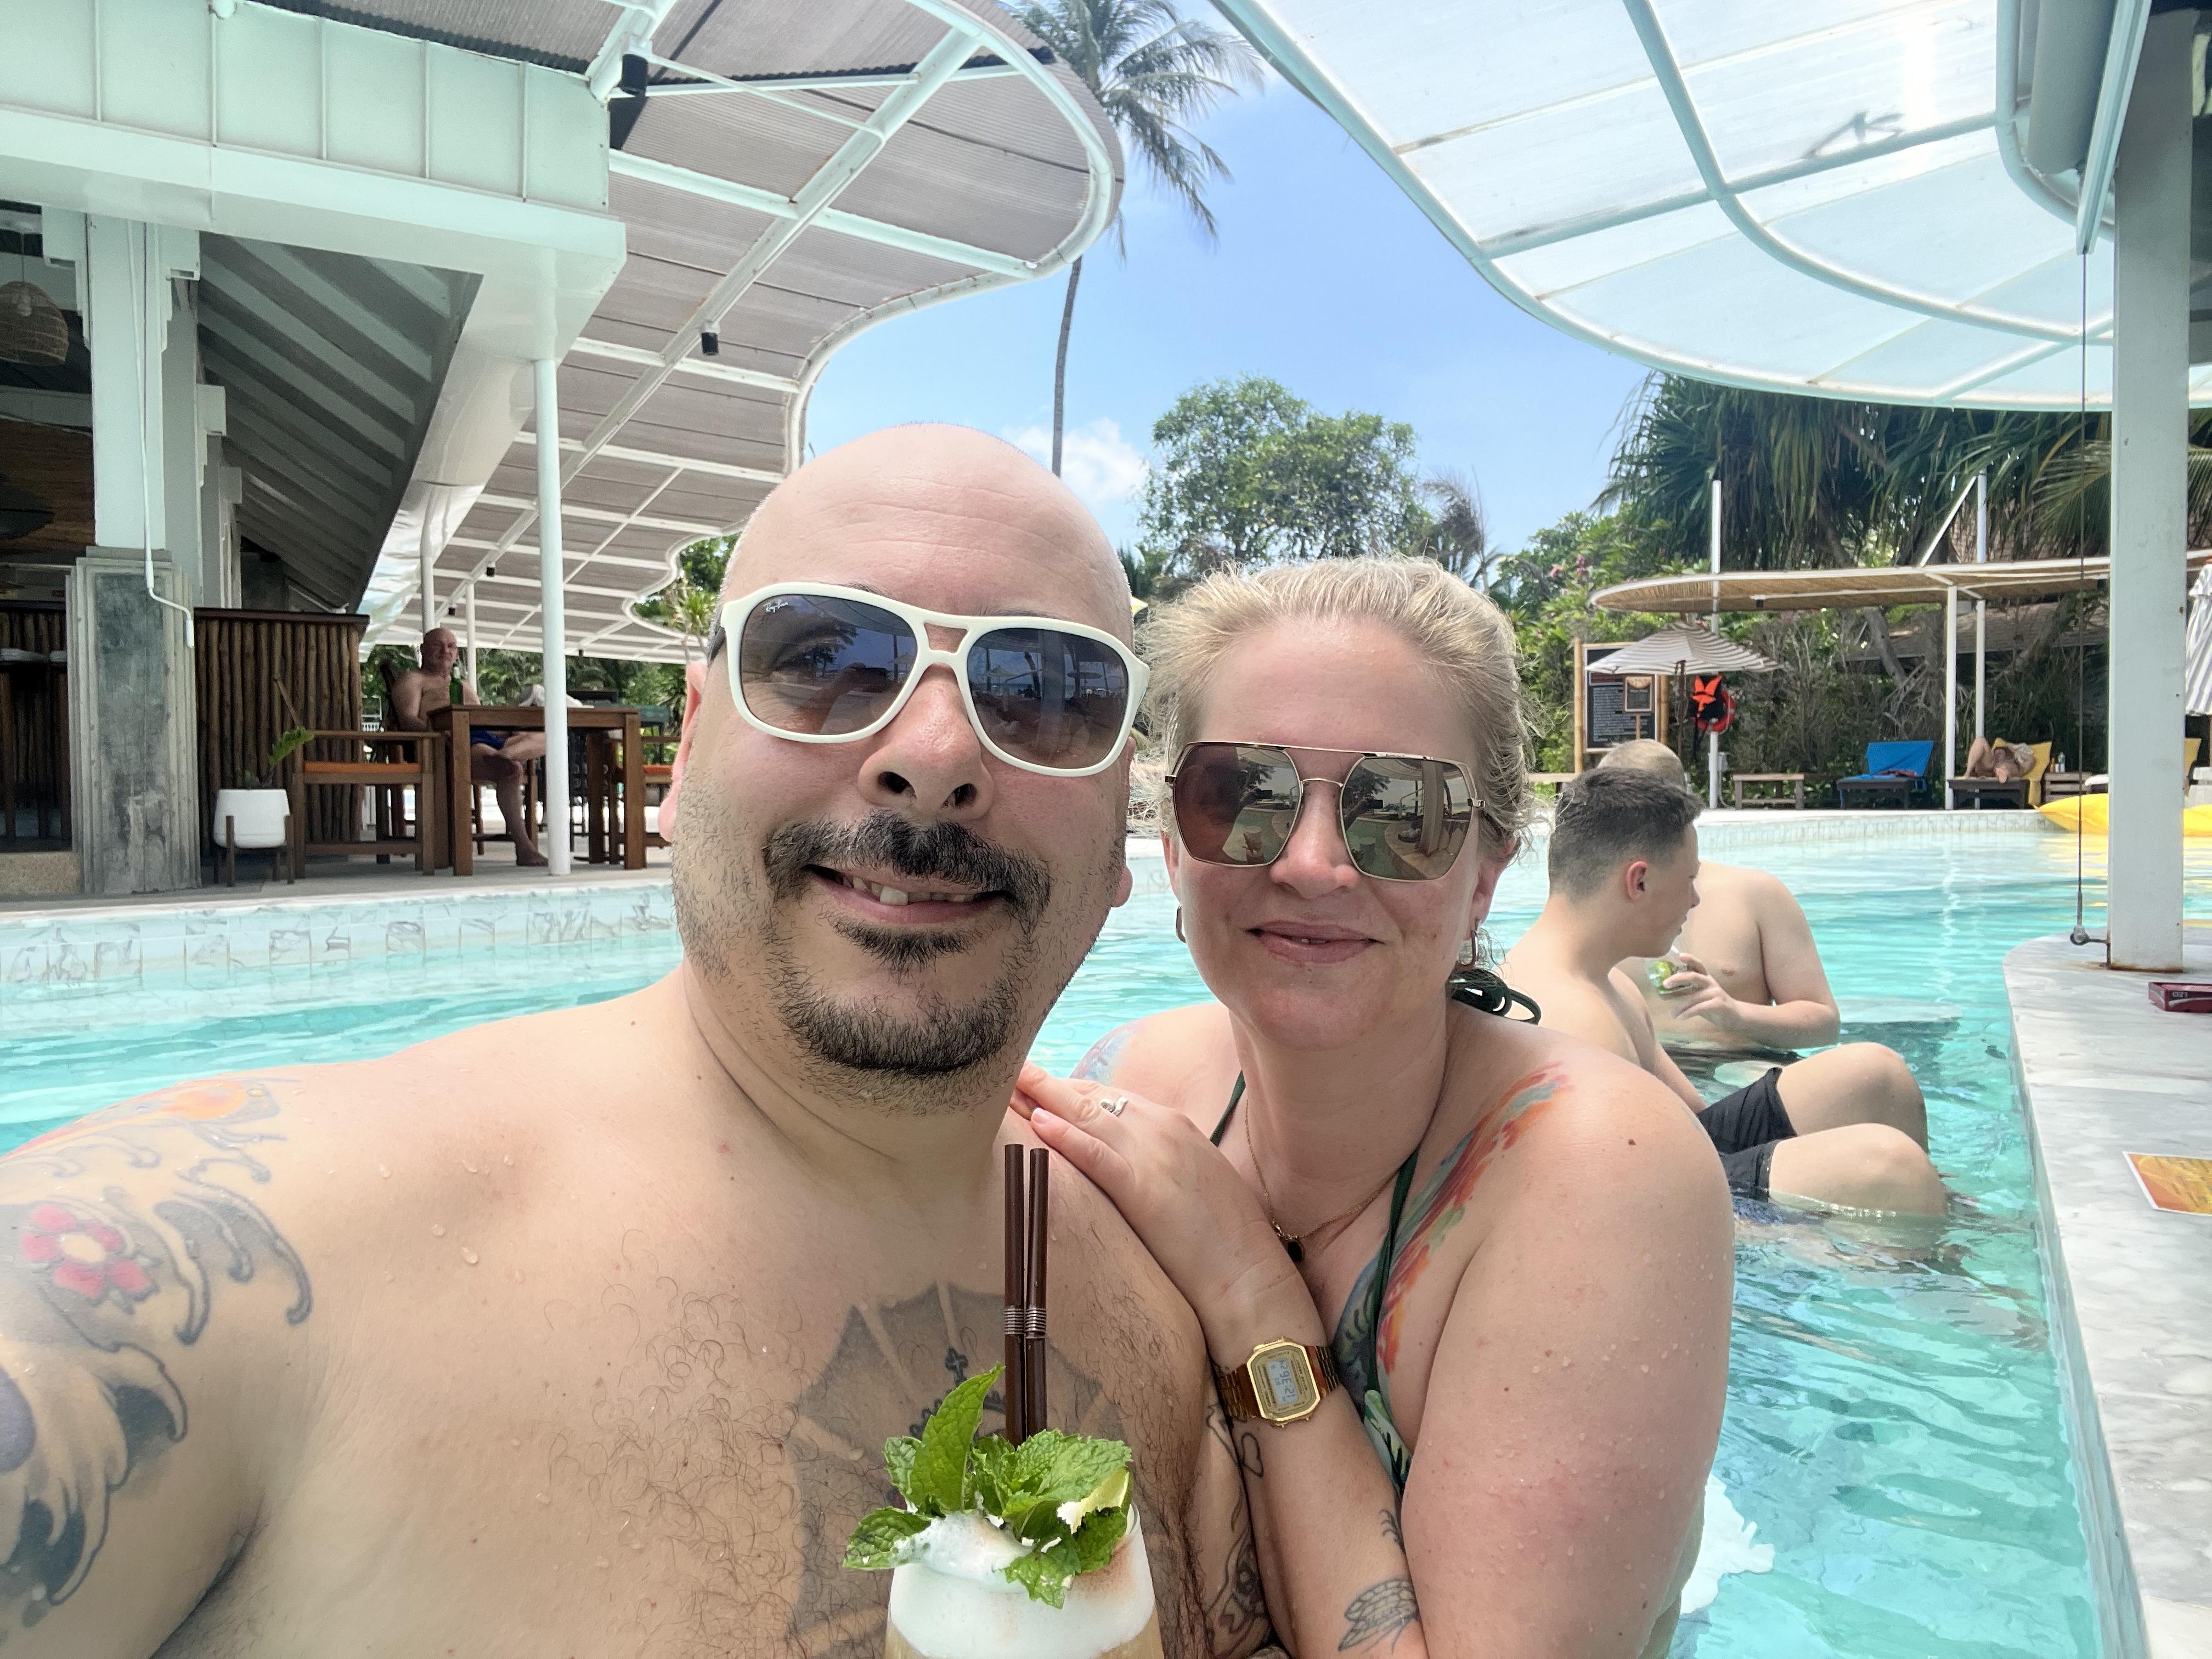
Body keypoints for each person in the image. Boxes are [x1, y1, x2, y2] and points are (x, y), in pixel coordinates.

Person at [0, 427, 1259, 1658]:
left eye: (1044, 691)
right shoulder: (238, 1276)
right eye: (825, 658)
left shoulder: (1157, 1287)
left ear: (1122, 826)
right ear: (689, 745)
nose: (932, 760)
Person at [1016, 559, 1734, 1659]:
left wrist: (1250, 1291)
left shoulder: (1603, 1171)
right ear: (1171, 843)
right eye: (1242, 795)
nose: (1311, 863)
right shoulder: (1127, 1085)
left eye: (1400, 811)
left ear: (1484, 872)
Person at [1502, 769, 1944, 1215]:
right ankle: (1936, 1245)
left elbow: (1696, 1118)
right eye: (1688, 880)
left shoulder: (1606, 979)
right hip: (1660, 1191)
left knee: (1879, 1075)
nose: (1695, 900)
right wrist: (1804, 1226)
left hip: (1679, 1149)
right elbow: (1619, 1207)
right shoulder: (1568, 1020)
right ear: (1639, 882)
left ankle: (1947, 1209)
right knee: (1893, 1169)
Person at [1597, 740, 1841, 1055]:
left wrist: (1736, 1014)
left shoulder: (1756, 894)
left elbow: (1825, 1025)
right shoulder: (1590, 902)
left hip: (1736, 1069)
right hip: (1633, 1073)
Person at [387, 625, 549, 866]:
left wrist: (511, 730)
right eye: (438, 645)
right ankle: (525, 848)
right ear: (423, 649)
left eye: (451, 646)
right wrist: (440, 735)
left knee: (551, 735)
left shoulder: (464, 685)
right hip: (452, 743)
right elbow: (408, 720)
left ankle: (506, 754)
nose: (445, 651)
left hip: (483, 737)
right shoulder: (413, 679)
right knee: (512, 770)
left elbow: (482, 721)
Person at [1962, 734, 2036, 783]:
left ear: (2008, 755)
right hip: (1990, 769)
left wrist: (2014, 751)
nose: (1996, 756)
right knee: (1980, 740)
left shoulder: (2015, 764)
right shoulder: (1993, 761)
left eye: (1999, 754)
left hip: (2007, 768)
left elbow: (2031, 760)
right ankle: (1967, 773)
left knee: (2006, 766)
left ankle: (2003, 772)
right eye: (1995, 754)